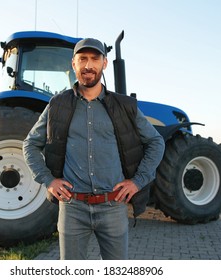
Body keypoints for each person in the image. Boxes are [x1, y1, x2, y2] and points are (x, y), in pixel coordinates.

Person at [23, 37, 165, 260]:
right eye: (82, 59)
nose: (88, 65)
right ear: (74, 64)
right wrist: (48, 180)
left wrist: (137, 181)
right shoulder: (57, 105)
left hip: (113, 206)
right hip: (72, 208)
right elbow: (30, 144)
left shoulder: (124, 106)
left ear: (104, 64)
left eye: (94, 59)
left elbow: (156, 142)